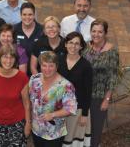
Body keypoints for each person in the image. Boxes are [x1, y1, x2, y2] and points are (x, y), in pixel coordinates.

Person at [0, 44, 31, 146]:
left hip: (17, 124)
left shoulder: (22, 78)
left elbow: (26, 103)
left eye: (11, 57)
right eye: (5, 56)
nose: (8, 61)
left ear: (15, 59)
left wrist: (28, 124)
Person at [83, 18, 119, 147]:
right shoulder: (86, 46)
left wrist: (107, 99)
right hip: (83, 93)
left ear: (105, 33)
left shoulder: (111, 51)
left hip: (99, 96)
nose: (96, 34)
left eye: (100, 32)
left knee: (96, 128)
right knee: (83, 125)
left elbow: (113, 77)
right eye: (94, 31)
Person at [29, 51, 77, 147]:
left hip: (54, 134)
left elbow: (71, 109)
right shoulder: (34, 79)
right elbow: (31, 101)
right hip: (36, 130)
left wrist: (52, 114)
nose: (47, 69)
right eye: (44, 65)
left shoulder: (65, 85)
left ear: (56, 66)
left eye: (51, 66)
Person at [58, 32, 93, 147]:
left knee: (70, 140)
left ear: (81, 46)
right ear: (65, 44)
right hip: (58, 107)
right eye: (70, 43)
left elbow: (88, 92)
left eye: (77, 43)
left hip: (76, 110)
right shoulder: (58, 60)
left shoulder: (86, 66)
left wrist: (84, 114)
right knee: (58, 139)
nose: (73, 46)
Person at [14, 2, 43, 75]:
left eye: (30, 14)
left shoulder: (42, 30)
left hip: (38, 71)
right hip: (19, 72)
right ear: (20, 15)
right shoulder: (14, 30)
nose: (27, 17)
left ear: (34, 15)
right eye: (24, 14)